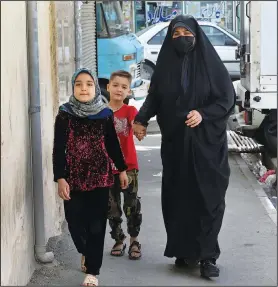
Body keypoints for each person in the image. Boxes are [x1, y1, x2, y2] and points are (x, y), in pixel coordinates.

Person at [133, 15, 235, 278]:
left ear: (196, 35)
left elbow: (226, 99)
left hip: (208, 147)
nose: (181, 38)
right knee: (179, 198)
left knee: (208, 198)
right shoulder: (165, 65)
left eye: (185, 33)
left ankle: (208, 256)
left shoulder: (211, 65)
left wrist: (203, 114)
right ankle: (184, 251)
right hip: (176, 144)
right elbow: (154, 96)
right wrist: (140, 119)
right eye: (175, 34)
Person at [52, 68, 129, 286]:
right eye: (78, 84)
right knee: (74, 222)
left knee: (96, 225)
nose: (83, 88)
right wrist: (60, 178)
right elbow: (58, 149)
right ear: (73, 88)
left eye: (88, 84)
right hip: (73, 178)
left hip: (100, 177)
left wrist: (121, 170)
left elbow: (112, 145)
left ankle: (93, 272)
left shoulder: (104, 114)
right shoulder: (65, 114)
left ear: (95, 87)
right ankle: (85, 251)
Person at [107, 70, 143, 260]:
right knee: (111, 207)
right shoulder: (102, 113)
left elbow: (135, 125)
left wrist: (138, 129)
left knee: (132, 206)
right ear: (108, 87)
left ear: (129, 91)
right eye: (115, 85)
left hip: (129, 168)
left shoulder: (130, 112)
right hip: (107, 170)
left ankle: (134, 240)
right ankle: (118, 239)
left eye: (123, 87)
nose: (119, 89)